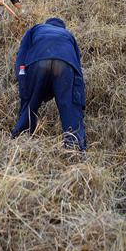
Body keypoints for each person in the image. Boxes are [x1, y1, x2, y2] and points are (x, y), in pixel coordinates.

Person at [11, 17, 87, 151]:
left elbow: (22, 56)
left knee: (30, 103)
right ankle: (74, 147)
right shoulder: (69, 35)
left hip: (38, 60)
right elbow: (78, 70)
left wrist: (23, 82)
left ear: (47, 24)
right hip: (65, 64)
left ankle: (21, 140)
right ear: (62, 28)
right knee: (68, 106)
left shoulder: (36, 29)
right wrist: (79, 100)